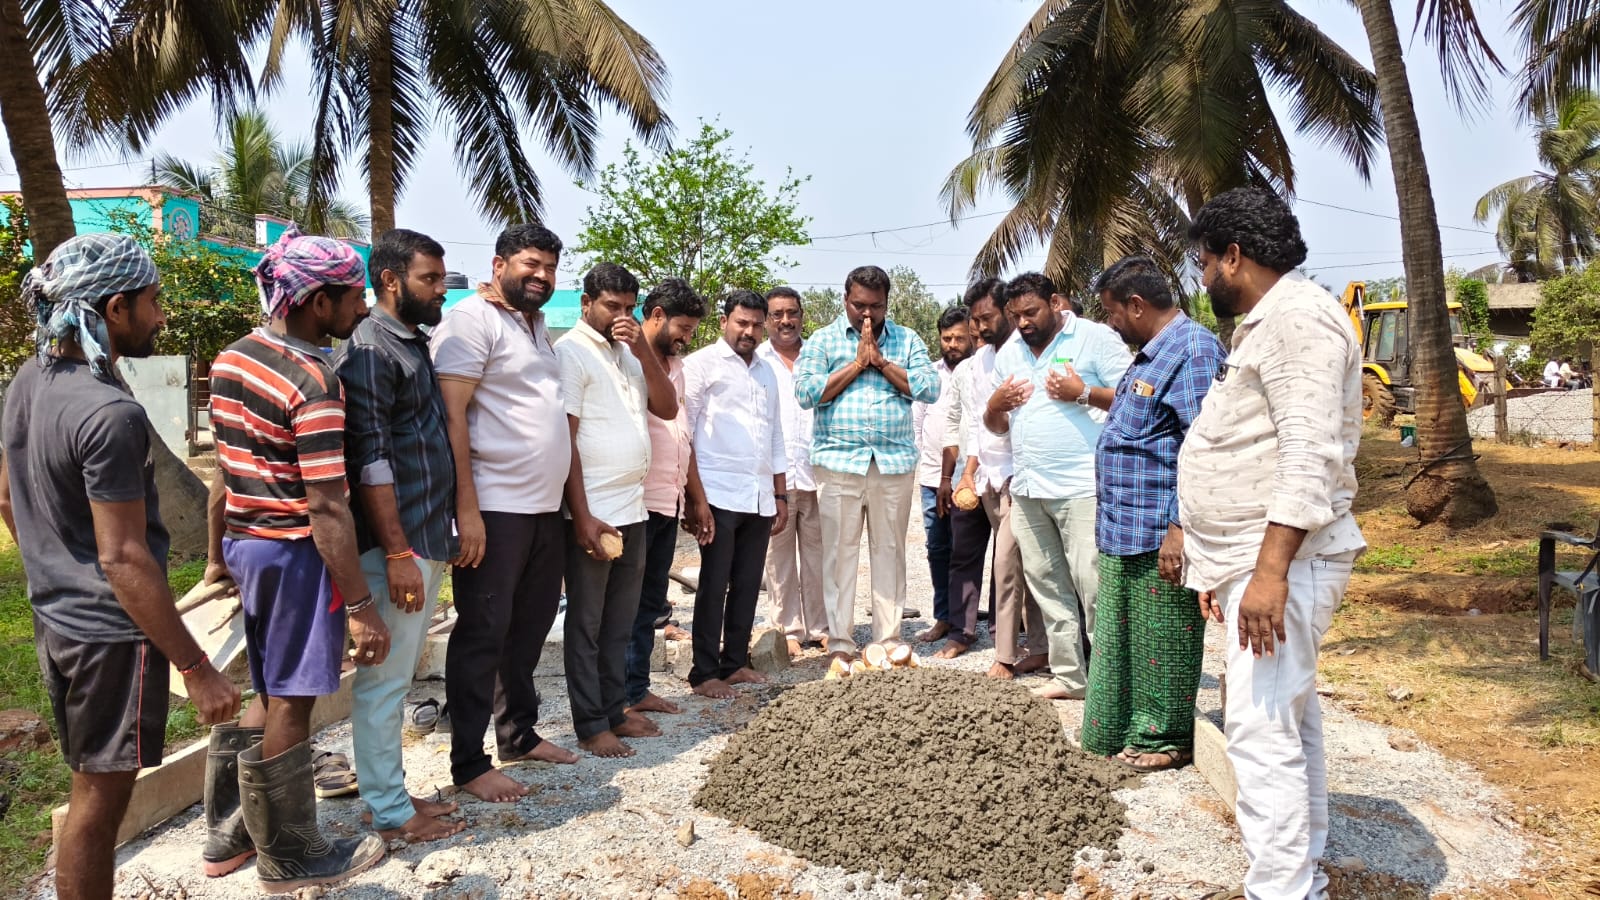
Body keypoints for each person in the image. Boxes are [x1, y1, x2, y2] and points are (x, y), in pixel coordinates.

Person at [0, 234, 240, 899]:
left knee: (90, 788)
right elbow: (124, 556)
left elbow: (7, 498)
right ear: (114, 308)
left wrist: (56, 566)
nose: (160, 316)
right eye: (153, 301)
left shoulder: (29, 381)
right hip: (109, 637)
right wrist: (197, 668)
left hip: (57, 620)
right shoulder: (111, 413)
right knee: (98, 805)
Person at [1178, 187, 1366, 900]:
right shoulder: (1268, 324)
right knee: (1287, 721)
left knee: (1259, 732)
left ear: (1234, 256)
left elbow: (1308, 455)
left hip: (1286, 561)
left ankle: (1281, 889)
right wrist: (1220, 564)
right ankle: (1299, 876)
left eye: (1204, 263)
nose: (1202, 278)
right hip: (1253, 560)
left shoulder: (1298, 321)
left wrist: (1267, 573)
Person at [205, 227, 386, 889]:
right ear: (317, 301)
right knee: (294, 701)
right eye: (353, 296)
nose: (362, 307)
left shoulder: (232, 359)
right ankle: (290, 856)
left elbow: (223, 473)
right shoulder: (314, 382)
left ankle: (228, 835)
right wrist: (361, 606)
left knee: (269, 689)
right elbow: (328, 507)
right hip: (294, 554)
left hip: (248, 544)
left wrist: (218, 556)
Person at [431, 224, 579, 803]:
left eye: (550, 268)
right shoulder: (472, 320)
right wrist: (466, 509)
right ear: (498, 265)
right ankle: (469, 763)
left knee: (529, 628)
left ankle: (518, 734)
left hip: (542, 509)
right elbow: (452, 417)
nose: (541, 276)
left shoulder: (535, 325)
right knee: (482, 634)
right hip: (494, 506)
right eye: (530, 265)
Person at [333, 228, 464, 844]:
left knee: (395, 678)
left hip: (424, 535)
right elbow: (372, 461)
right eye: (429, 279)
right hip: (399, 544)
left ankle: (387, 791)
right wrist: (397, 551)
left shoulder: (410, 342)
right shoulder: (369, 350)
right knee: (384, 682)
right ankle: (387, 810)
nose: (441, 290)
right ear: (390, 280)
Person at [1078, 255, 1226, 772]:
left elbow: (1203, 448)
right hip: (1124, 527)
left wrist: (1180, 528)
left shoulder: (1194, 351)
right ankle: (1116, 728)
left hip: (1159, 529)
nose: (1110, 323)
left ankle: (1165, 737)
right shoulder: (1150, 356)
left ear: (1137, 305)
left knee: (1163, 637)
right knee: (1121, 641)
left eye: (1112, 312)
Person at [984, 272, 1132, 700]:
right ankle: (1070, 677)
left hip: (1082, 486)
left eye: (1031, 312)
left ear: (1054, 303)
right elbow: (996, 426)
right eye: (1015, 315)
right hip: (1029, 488)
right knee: (1048, 586)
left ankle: (1110, 682)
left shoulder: (1093, 338)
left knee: (1094, 585)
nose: (1023, 323)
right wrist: (994, 405)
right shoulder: (1010, 351)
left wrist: (1082, 392)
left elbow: (1136, 397)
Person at [557, 263, 678, 758]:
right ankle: (590, 724)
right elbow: (565, 439)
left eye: (629, 308)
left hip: (633, 508)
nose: (621, 316)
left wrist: (642, 349)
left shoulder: (629, 355)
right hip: (592, 511)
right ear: (586, 304)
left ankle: (613, 709)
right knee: (587, 623)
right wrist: (581, 515)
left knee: (620, 622)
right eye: (612, 306)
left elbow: (667, 407)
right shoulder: (571, 352)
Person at [795, 266, 939, 661]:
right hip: (838, 463)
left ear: (887, 303)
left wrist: (882, 364)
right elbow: (806, 393)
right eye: (859, 305)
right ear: (845, 300)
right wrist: (857, 365)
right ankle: (841, 643)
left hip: (892, 464)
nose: (867, 314)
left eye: (876, 306)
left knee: (890, 551)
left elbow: (930, 387)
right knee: (838, 556)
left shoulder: (907, 339)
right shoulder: (823, 340)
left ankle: (888, 641)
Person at [684, 290, 789, 697]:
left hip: (758, 496)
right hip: (718, 494)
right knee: (714, 584)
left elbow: (775, 436)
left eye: (756, 325)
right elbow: (685, 434)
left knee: (746, 583)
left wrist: (780, 496)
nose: (749, 331)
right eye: (742, 322)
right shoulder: (700, 366)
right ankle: (704, 672)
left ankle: (734, 664)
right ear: (723, 321)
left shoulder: (767, 371)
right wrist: (695, 499)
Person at [949, 279, 1047, 678]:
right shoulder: (979, 361)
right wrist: (968, 473)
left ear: (1006, 311)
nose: (979, 327)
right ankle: (1040, 648)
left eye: (986, 318)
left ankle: (1004, 656)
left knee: (1005, 563)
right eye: (974, 320)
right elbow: (977, 422)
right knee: (1026, 565)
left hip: (1020, 476)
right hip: (988, 477)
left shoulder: (1025, 353)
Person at [624, 277, 708, 718]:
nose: (686, 339)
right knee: (624, 604)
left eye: (691, 331)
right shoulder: (624, 358)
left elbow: (681, 434)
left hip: (667, 499)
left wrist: (695, 498)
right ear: (656, 315)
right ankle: (619, 696)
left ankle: (636, 689)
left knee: (650, 601)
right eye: (683, 328)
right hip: (632, 500)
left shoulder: (676, 366)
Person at [758, 287, 827, 657]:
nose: (785, 321)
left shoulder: (819, 355)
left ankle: (821, 627)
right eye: (777, 314)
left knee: (820, 556)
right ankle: (787, 628)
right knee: (778, 558)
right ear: (767, 319)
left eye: (792, 313)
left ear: (802, 315)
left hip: (817, 473)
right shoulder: (757, 360)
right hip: (776, 477)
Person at [912, 305, 975, 653]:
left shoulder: (977, 372)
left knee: (965, 551)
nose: (952, 344)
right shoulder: (929, 375)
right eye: (947, 338)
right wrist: (931, 471)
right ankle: (944, 617)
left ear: (971, 336)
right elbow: (918, 425)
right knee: (938, 549)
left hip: (968, 479)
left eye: (959, 338)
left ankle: (968, 622)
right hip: (932, 478)